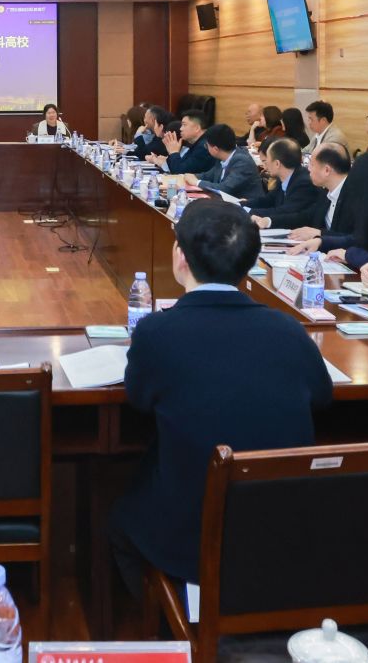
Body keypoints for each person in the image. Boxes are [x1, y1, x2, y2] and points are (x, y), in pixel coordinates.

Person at [111, 200, 333, 587]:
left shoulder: (157, 333)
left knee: (117, 519)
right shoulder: (289, 331)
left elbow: (139, 400)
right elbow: (322, 397)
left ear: (180, 257)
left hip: (192, 542)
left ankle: (171, 617)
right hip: (284, 533)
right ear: (251, 261)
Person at [285, 145, 356, 248]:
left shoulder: (356, 196)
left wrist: (319, 233)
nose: (308, 168)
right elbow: (305, 216)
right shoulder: (326, 190)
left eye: (312, 164)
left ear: (326, 170)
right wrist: (268, 221)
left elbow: (357, 239)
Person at [246, 139, 324, 230]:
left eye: (267, 161)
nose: (265, 166)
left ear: (277, 163)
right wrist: (242, 204)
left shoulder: (304, 183)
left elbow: (285, 211)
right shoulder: (284, 176)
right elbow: (269, 199)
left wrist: (249, 212)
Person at [192, 124, 259, 199]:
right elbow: (208, 176)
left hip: (246, 205)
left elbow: (224, 189)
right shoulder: (222, 157)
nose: (206, 148)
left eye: (206, 145)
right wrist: (190, 176)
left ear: (215, 149)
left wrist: (197, 182)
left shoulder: (242, 161)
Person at [147, 111, 218, 177]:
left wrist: (173, 152)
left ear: (197, 128)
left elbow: (179, 172)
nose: (181, 129)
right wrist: (169, 157)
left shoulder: (204, 147)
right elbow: (181, 165)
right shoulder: (197, 144)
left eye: (184, 125)